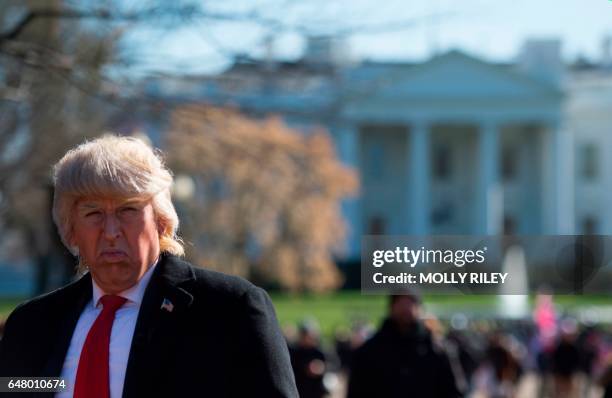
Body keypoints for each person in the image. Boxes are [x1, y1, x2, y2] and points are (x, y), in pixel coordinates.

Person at [0, 135, 298, 397]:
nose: (111, 231)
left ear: (162, 221)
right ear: (71, 229)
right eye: (93, 213)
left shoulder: (229, 310)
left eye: (128, 210)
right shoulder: (32, 325)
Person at [346, 293, 462, 398]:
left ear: (419, 308)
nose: (405, 309)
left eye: (410, 303)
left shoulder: (438, 350)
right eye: (401, 303)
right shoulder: (369, 351)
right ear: (391, 307)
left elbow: (453, 391)